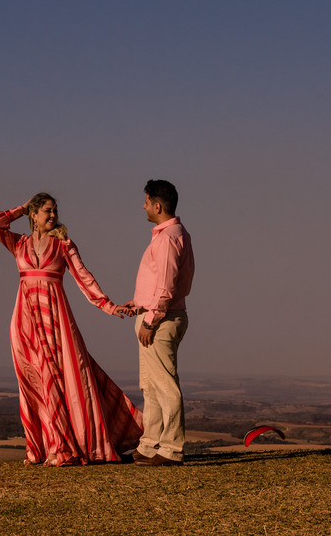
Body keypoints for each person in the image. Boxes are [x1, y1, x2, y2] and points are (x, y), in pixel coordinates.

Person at [0, 193, 142, 466]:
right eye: (47, 210)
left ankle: (64, 447)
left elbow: (84, 278)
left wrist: (109, 306)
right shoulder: (19, 244)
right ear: (34, 215)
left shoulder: (63, 245)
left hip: (56, 322)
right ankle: (43, 447)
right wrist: (22, 208)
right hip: (24, 323)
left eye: (55, 211)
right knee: (33, 382)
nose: (53, 215)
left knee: (71, 377)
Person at [116, 179, 195, 466]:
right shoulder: (174, 234)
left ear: (157, 206)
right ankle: (150, 445)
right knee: (150, 386)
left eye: (146, 202)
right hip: (156, 315)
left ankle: (171, 449)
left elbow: (165, 287)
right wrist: (138, 303)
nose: (144, 206)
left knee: (164, 385)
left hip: (160, 320)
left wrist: (150, 320)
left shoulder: (167, 238)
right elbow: (161, 284)